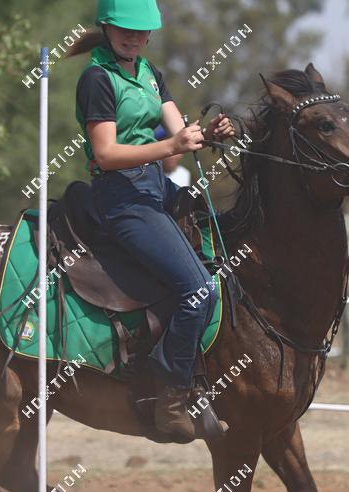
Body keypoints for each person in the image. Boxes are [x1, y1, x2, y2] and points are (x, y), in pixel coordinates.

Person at [69, 0, 236, 442]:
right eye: (125, 29)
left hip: (155, 188)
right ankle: (171, 397)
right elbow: (106, 154)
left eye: (141, 31)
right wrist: (171, 147)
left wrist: (208, 134)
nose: (134, 38)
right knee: (199, 290)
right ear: (107, 27)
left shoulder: (150, 72)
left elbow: (179, 135)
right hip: (120, 196)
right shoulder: (97, 79)